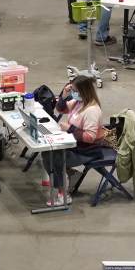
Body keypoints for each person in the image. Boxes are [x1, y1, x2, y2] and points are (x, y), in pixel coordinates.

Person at [41, 75, 106, 207]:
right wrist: (64, 95)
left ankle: (63, 195)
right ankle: (71, 172)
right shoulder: (78, 103)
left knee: (52, 159)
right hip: (75, 144)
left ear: (84, 91)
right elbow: (60, 109)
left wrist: (70, 129)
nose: (73, 93)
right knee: (47, 152)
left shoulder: (92, 110)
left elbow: (90, 137)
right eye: (72, 89)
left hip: (87, 151)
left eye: (75, 90)